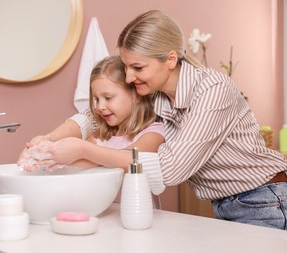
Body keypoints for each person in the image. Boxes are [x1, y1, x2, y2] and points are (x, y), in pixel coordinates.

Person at [19, 10, 287, 230]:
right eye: (125, 67)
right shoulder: (156, 95)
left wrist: (83, 149)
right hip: (227, 203)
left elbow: (171, 169)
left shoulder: (213, 89)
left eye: (137, 67)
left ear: (170, 59)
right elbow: (92, 115)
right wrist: (49, 140)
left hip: (265, 197)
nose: (128, 77)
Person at [18, 55, 165, 172]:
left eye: (108, 98)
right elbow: (82, 161)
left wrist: (81, 149)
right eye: (96, 99)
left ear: (136, 95)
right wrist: (43, 155)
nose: (100, 107)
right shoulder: (100, 136)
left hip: (137, 208)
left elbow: (129, 160)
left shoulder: (154, 133)